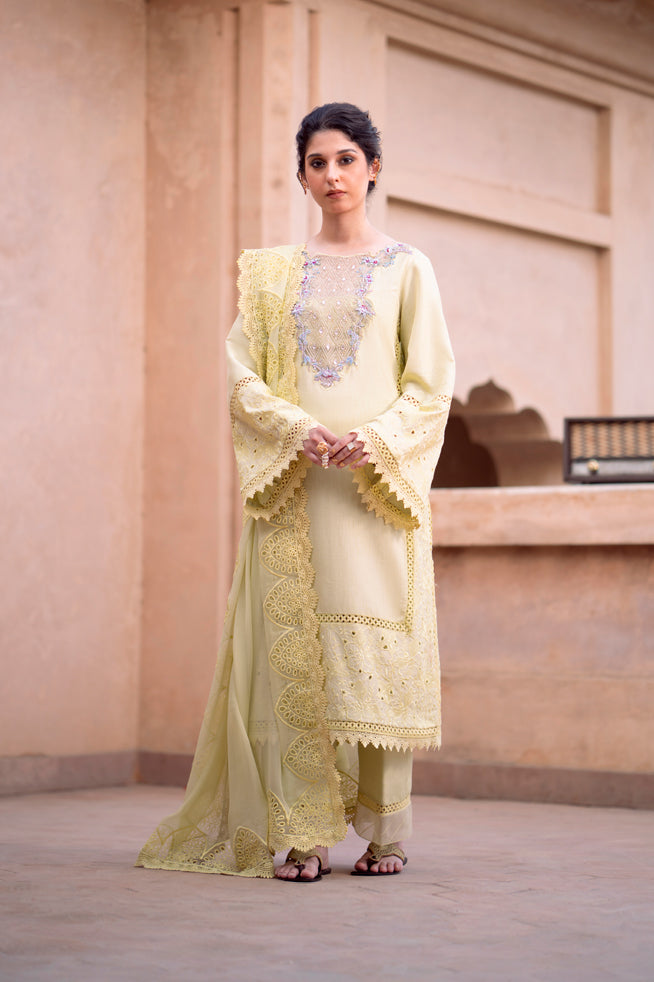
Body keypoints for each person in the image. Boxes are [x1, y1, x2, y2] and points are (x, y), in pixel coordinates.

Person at [136, 102, 455, 882]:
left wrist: (379, 439)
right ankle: (303, 834)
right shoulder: (274, 276)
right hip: (298, 489)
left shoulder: (408, 268)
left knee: (372, 657)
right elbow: (241, 376)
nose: (332, 175)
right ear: (303, 176)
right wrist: (295, 428)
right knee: (295, 663)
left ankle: (386, 834)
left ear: (373, 168)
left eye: (346, 159)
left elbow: (430, 384)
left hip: (375, 495)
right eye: (317, 162)